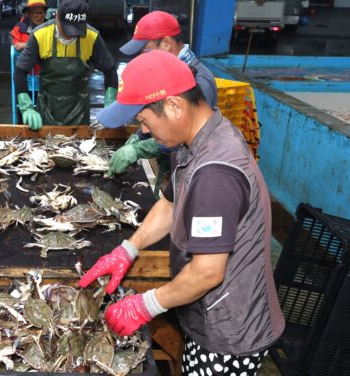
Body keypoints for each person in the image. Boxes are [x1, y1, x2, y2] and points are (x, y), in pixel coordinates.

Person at [80, 50, 284, 375]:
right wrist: (127, 248)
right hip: (207, 313)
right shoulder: (194, 141)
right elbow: (171, 204)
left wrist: (146, 304)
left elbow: (207, 272)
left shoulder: (215, 172)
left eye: (144, 120)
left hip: (228, 334)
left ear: (174, 106)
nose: (143, 131)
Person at [102, 11, 218, 179]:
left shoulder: (199, 82)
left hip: (192, 171)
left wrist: (139, 149)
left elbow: (184, 134)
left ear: (166, 43)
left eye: (146, 50)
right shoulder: (165, 74)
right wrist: (139, 137)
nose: (143, 57)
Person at [14, 0, 118, 129]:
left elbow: (110, 69)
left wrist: (110, 103)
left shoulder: (91, 36)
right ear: (57, 16)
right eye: (67, 28)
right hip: (48, 107)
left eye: (76, 30)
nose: (70, 35)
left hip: (79, 110)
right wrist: (26, 106)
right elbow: (20, 71)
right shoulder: (40, 35)